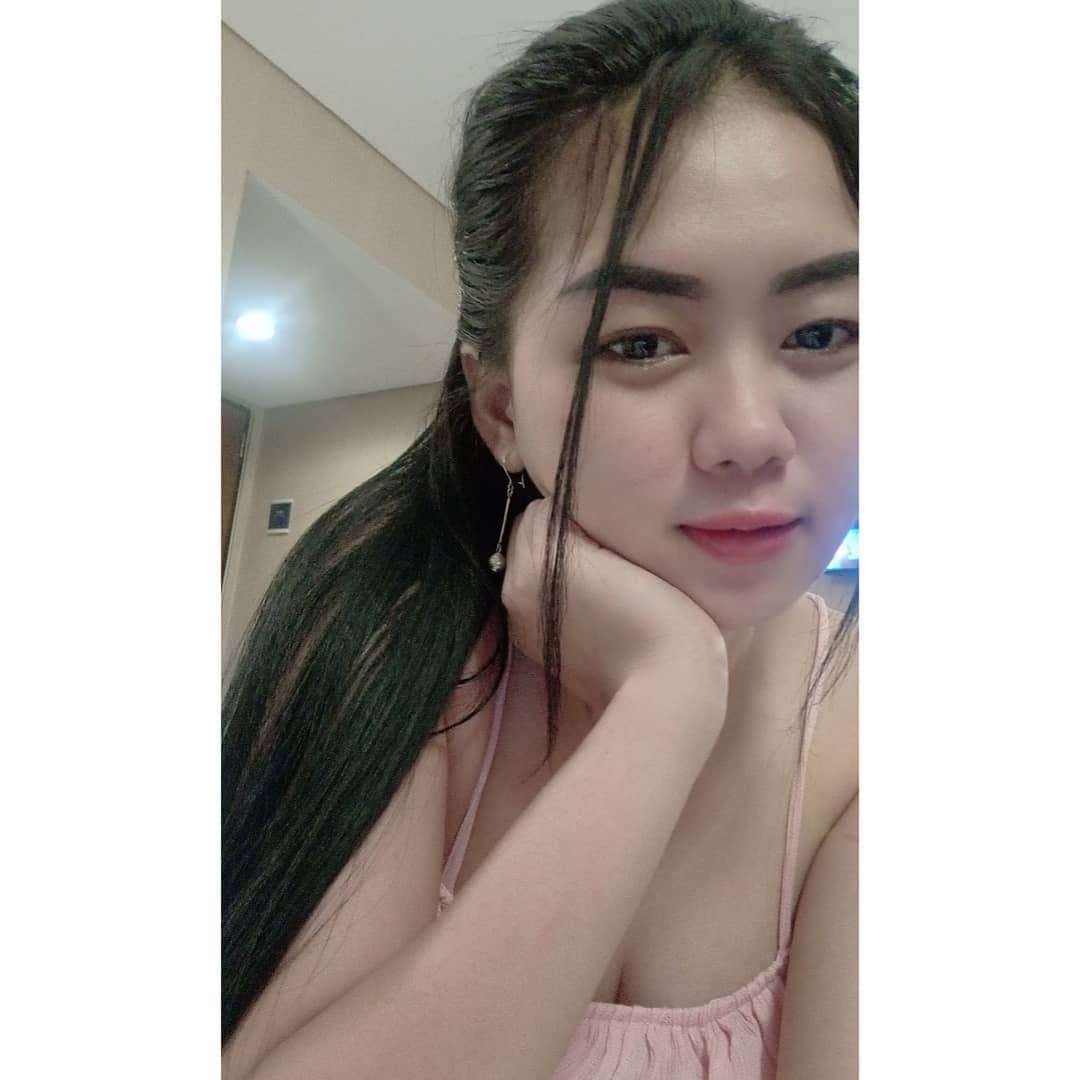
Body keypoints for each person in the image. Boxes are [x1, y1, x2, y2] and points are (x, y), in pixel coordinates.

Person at [221, 0, 859, 1077]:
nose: (751, 433)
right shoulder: (397, 627)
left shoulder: (873, 726)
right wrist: (664, 705)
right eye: (643, 343)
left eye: (822, 332)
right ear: (503, 409)